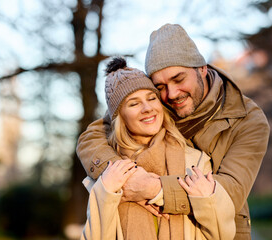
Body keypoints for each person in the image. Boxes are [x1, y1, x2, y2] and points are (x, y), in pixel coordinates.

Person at [77, 24, 270, 240]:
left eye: (179, 79)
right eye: (159, 86)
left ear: (202, 69)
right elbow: (92, 136)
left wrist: (151, 188)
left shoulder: (247, 118)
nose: (171, 93)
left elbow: (230, 190)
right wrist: (122, 178)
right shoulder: (156, 101)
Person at [80, 57, 235, 240]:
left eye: (151, 98)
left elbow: (224, 235)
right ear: (119, 117)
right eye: (134, 103)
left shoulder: (195, 162)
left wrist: (206, 202)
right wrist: (106, 192)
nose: (147, 108)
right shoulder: (108, 174)